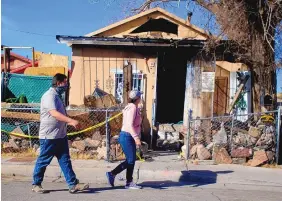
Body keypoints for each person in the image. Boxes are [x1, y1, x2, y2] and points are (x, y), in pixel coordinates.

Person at [32, 73, 89, 194]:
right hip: (49, 136)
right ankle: (36, 184)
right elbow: (54, 113)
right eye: (65, 82)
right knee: (43, 161)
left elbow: (61, 114)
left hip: (60, 135)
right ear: (58, 83)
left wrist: (70, 121)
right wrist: (71, 121)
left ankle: (73, 184)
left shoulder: (57, 96)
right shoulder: (49, 96)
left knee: (65, 160)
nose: (66, 85)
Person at [106, 90, 143, 189]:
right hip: (127, 136)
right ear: (138, 98)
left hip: (128, 136)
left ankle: (129, 182)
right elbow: (129, 125)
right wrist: (136, 138)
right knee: (131, 160)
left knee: (131, 160)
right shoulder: (132, 108)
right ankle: (112, 174)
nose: (141, 98)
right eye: (140, 96)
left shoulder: (131, 107)